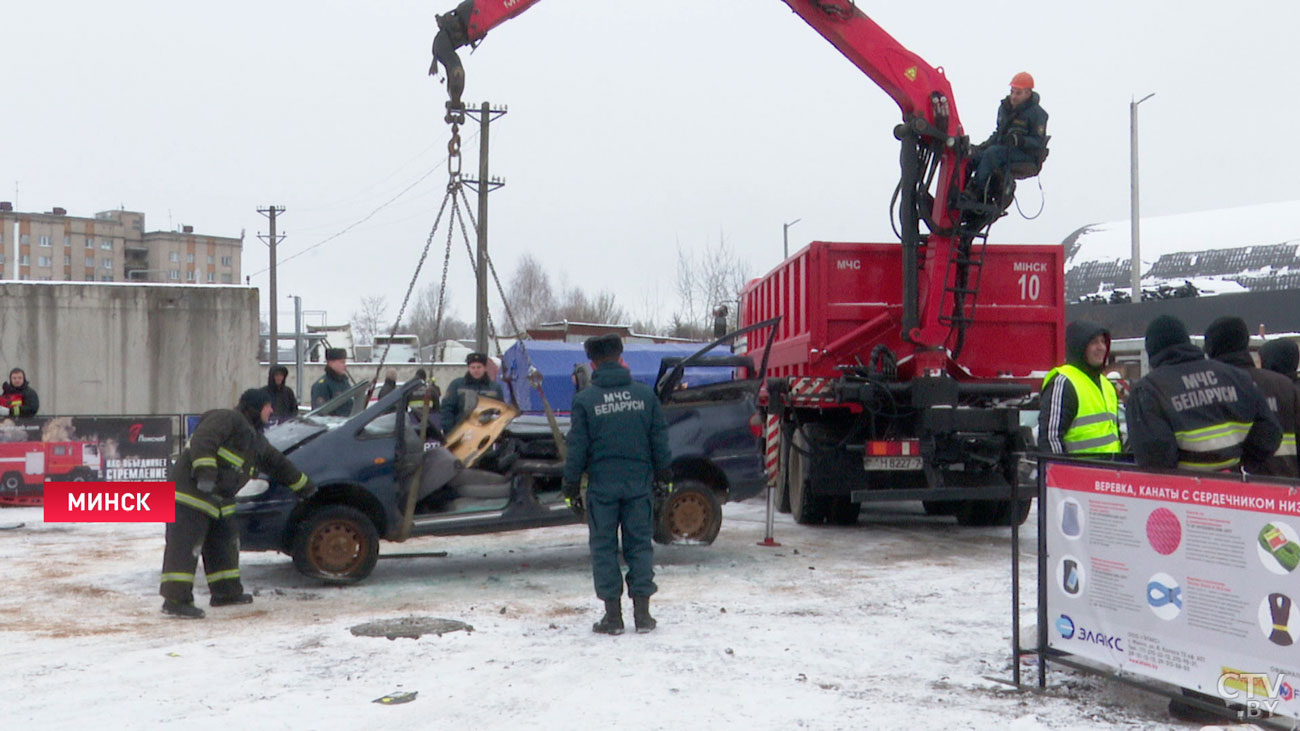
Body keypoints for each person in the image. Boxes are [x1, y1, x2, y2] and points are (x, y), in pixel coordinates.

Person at [160, 388, 315, 618]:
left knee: (224, 542)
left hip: (219, 499)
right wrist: (205, 472)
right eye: (267, 406)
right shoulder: (227, 418)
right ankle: (175, 600)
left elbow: (277, 464)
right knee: (184, 547)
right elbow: (204, 440)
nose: (271, 410)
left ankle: (226, 593)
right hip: (190, 494)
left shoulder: (254, 440)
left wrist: (305, 486)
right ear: (254, 408)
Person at [563, 334, 672, 634]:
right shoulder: (645, 396)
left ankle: (613, 618)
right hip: (639, 485)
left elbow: (577, 450)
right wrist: (665, 478)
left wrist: (570, 489)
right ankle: (643, 616)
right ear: (622, 358)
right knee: (639, 546)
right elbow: (660, 442)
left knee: (604, 548)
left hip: (603, 488)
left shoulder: (585, 400)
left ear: (592, 362)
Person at [1126, 315, 1280, 473]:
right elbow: (1270, 433)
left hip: (1184, 492)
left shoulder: (1149, 390)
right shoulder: (1236, 377)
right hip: (1233, 489)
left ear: (1151, 351)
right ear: (1186, 342)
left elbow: (1155, 459)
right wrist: (1235, 463)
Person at [1204, 317, 1300, 477]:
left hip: (1225, 492)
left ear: (1211, 347)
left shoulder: (1208, 389)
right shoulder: (1284, 386)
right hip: (1285, 488)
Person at [1039, 321, 1120, 456]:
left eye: (1103, 342)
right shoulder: (1063, 382)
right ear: (1080, 347)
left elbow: (1114, 434)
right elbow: (1050, 439)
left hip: (1109, 474)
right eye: (1094, 342)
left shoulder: (1106, 384)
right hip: (1078, 475)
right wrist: (1062, 474)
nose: (1101, 347)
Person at [969, 71, 1049, 196]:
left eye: (1018, 93)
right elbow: (998, 133)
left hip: (1026, 155)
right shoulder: (1005, 109)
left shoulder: (1037, 114)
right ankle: (964, 190)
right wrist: (980, 147)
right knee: (974, 156)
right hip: (1004, 149)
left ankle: (976, 191)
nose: (1013, 96)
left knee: (992, 153)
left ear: (1028, 93)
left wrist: (1019, 140)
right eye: (1012, 92)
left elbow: (1038, 142)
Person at [439, 352, 504, 431]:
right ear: (468, 368)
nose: (476, 370)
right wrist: (449, 430)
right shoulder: (457, 385)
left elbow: (501, 411)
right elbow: (446, 409)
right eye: (473, 367)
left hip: (486, 433)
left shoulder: (495, 388)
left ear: (485, 368)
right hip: (461, 432)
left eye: (479, 367)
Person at [310, 348, 354, 416]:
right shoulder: (321, 386)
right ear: (331, 363)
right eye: (342, 362)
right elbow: (321, 413)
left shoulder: (344, 382)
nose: (345, 366)